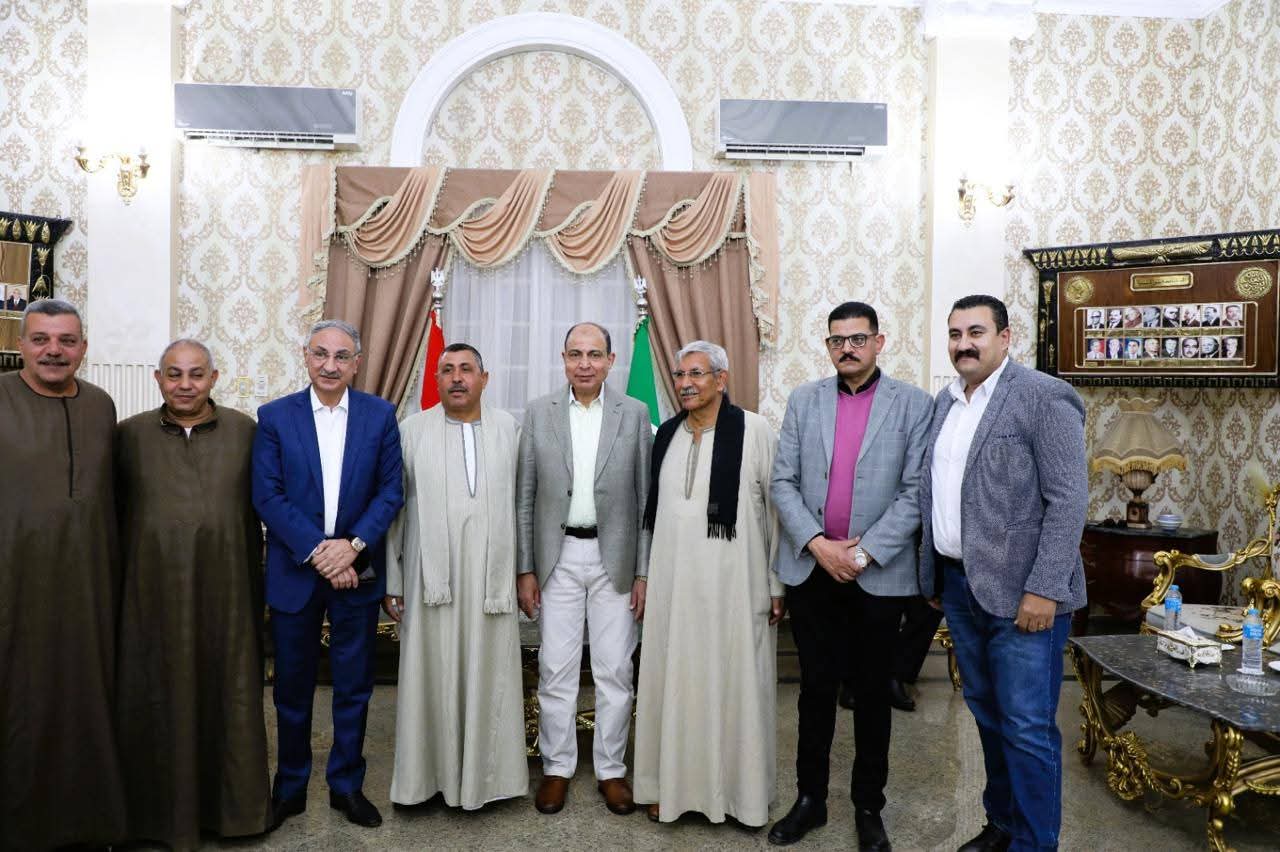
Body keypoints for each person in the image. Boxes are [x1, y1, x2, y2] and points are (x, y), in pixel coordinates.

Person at [918, 294, 1087, 852]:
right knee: (989, 718)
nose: (963, 344)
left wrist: (1044, 589)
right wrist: (936, 574)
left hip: (1025, 597)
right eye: (955, 334)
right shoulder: (945, 403)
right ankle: (1004, 825)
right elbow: (940, 494)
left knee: (1027, 728)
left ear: (1005, 337)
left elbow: (1068, 501)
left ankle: (1036, 844)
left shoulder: (1043, 396)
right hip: (960, 587)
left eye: (976, 332)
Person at [769, 301, 933, 850]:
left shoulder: (913, 404)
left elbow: (916, 491)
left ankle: (868, 806)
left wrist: (861, 556)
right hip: (813, 570)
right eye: (837, 340)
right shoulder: (804, 400)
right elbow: (782, 482)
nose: (847, 349)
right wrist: (819, 546)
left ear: (879, 342)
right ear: (828, 346)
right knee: (814, 690)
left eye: (858, 339)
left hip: (878, 575)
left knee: (871, 694)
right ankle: (810, 800)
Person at [116, 339, 271, 848]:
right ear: (158, 378)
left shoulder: (247, 433)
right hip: (150, 598)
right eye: (174, 374)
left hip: (228, 597)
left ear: (214, 378)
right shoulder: (127, 436)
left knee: (229, 695)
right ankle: (154, 818)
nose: (185, 385)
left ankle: (234, 815)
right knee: (154, 697)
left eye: (196, 374)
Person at [252, 319, 404, 830]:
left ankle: (347, 786)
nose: (330, 365)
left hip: (356, 571)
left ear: (356, 364)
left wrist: (352, 548)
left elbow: (391, 492)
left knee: (354, 687)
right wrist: (322, 553)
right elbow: (267, 495)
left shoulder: (380, 416)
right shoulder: (275, 417)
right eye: (321, 354)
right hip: (297, 572)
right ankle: (290, 786)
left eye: (341, 356)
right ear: (305, 356)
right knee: (291, 688)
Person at [633, 341, 784, 828]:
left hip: (734, 589)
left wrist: (777, 584)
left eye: (696, 374)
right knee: (674, 683)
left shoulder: (755, 431)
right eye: (680, 375)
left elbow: (776, 513)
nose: (685, 384)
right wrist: (645, 575)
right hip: (674, 590)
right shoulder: (666, 435)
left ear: (721, 379)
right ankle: (669, 789)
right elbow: (652, 518)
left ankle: (741, 797)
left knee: (735, 684)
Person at [0, 299, 126, 850]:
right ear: (21, 345)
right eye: (41, 339)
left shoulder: (101, 406)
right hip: (14, 589)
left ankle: (88, 823)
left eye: (67, 341)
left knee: (85, 700)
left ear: (84, 348)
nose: (54, 350)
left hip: (88, 589)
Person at [516, 321, 653, 816]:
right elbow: (525, 497)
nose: (585, 364)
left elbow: (646, 501)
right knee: (556, 668)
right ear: (563, 359)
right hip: (557, 560)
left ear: (611, 361)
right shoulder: (538, 412)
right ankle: (557, 768)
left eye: (595, 355)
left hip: (615, 558)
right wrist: (525, 568)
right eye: (576, 354)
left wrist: (643, 572)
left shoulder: (635, 413)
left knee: (616, 669)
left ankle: (611, 771)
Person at [384, 343, 528, 810]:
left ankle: (489, 781)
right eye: (447, 370)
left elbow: (523, 507)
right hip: (430, 581)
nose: (457, 377)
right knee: (431, 671)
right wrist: (393, 579)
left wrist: (524, 572)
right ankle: (427, 780)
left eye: (467, 369)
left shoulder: (510, 429)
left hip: (491, 582)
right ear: (436, 380)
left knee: (490, 671)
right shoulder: (411, 431)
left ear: (485, 378)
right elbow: (393, 511)